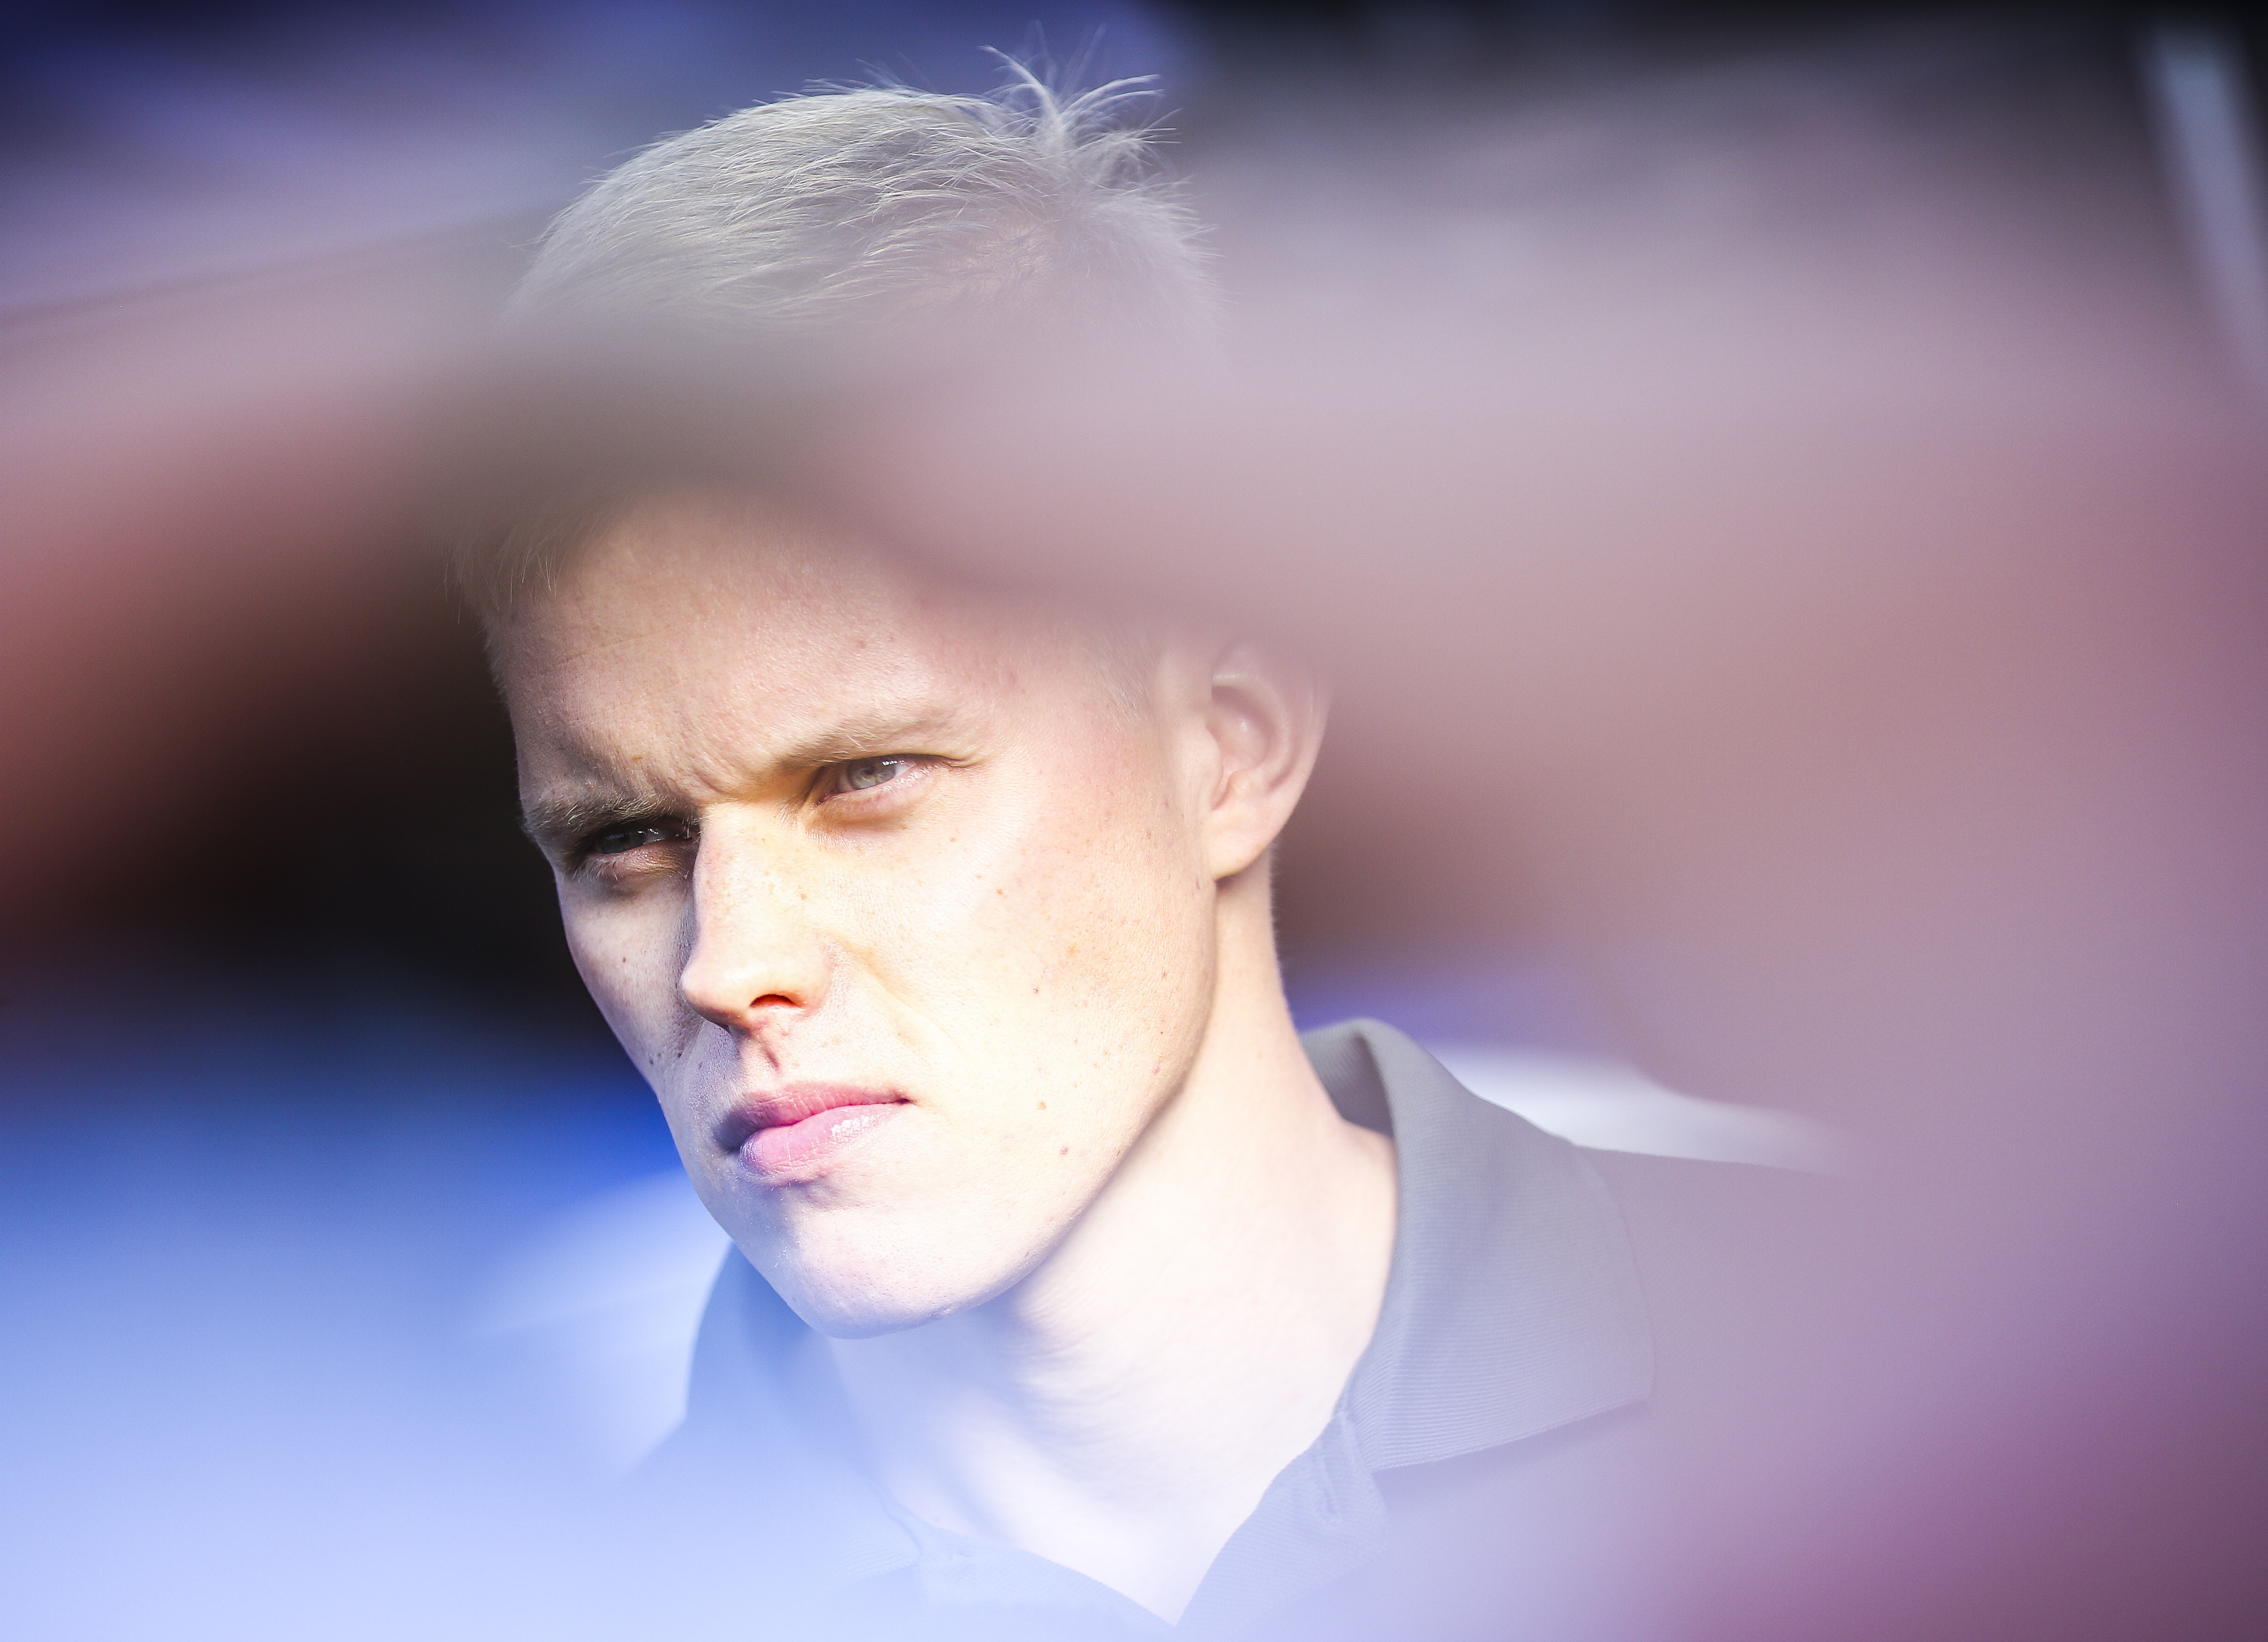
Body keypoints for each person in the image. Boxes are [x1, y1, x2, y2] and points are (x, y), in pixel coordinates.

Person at [460, 74, 1796, 1642]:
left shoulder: (1925, 1396)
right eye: (624, 840)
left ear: (1230, 744)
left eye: (867, 778)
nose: (729, 961)